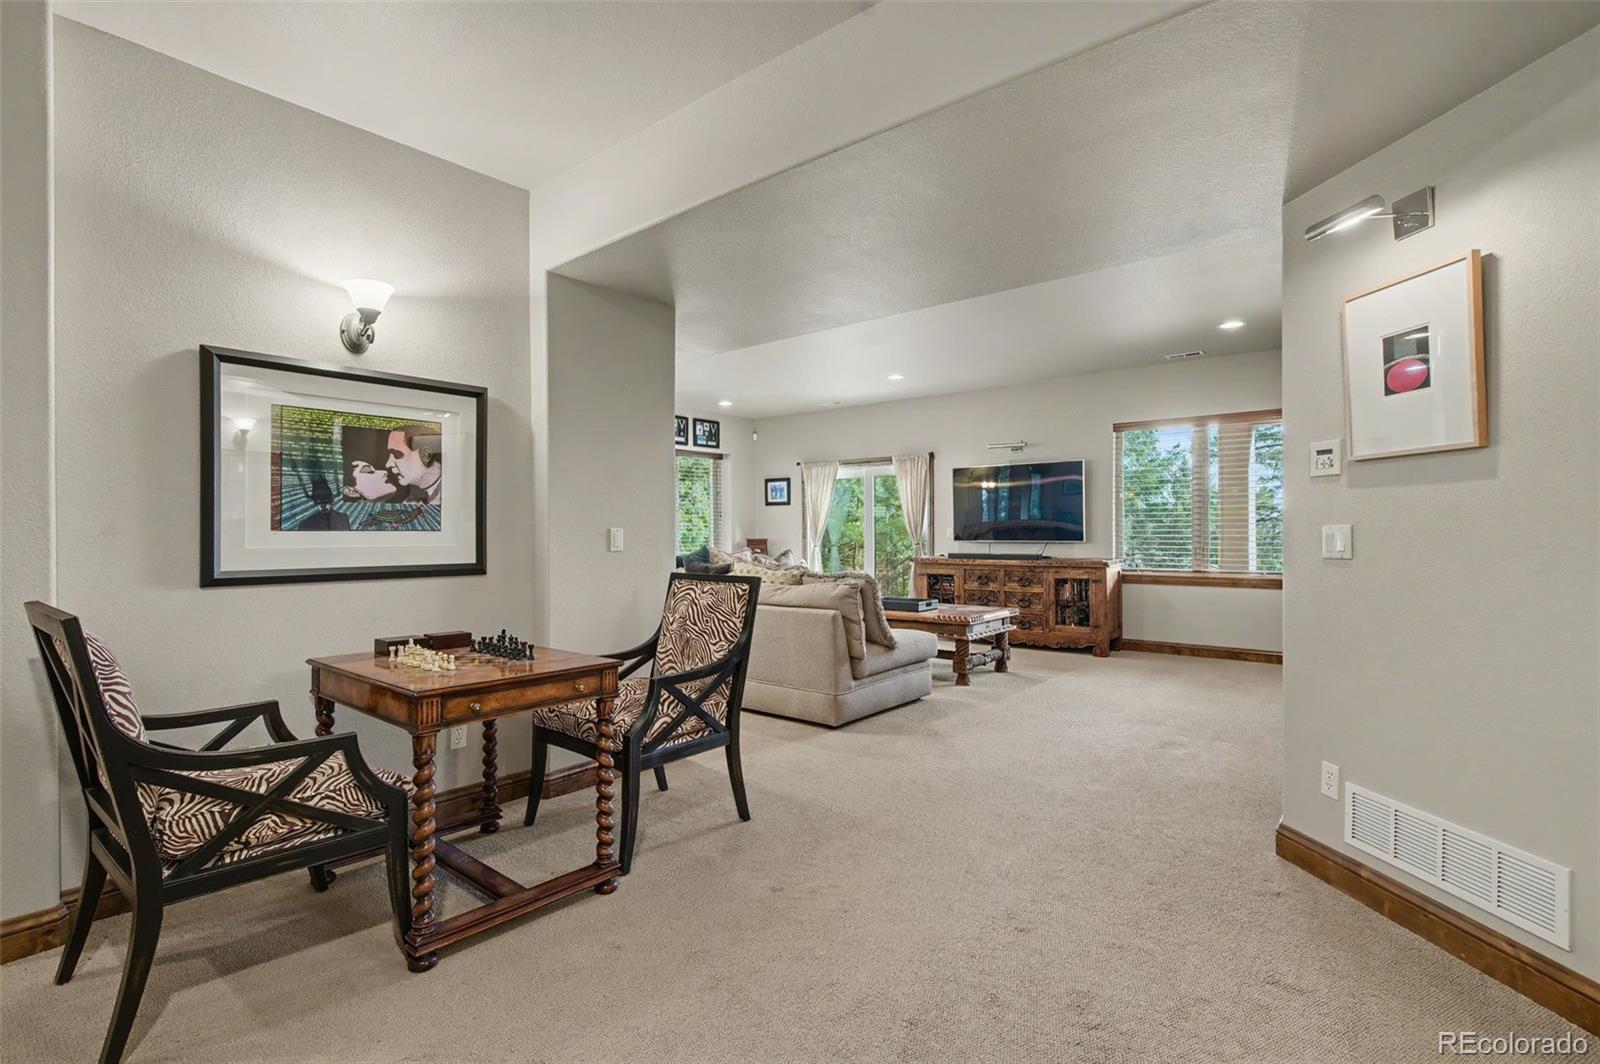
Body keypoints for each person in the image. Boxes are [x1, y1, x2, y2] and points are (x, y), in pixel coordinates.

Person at [384, 424, 443, 505]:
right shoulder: (411, 502)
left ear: (426, 454)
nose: (388, 464)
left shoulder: (454, 495)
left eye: (397, 454)